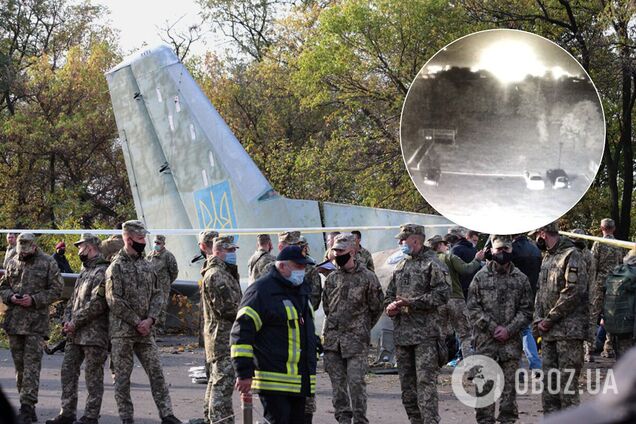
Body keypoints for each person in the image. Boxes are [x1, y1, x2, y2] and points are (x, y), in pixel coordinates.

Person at [105, 220, 181, 424]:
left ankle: (167, 414)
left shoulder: (147, 266)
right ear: (128, 239)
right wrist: (137, 321)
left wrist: (150, 320)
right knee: (122, 379)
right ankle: (127, 418)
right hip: (123, 333)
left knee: (157, 373)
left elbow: (158, 295)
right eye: (140, 238)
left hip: (145, 332)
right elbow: (114, 300)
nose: (144, 242)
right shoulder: (116, 267)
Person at [231, 245, 317, 424]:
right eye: (298, 266)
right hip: (274, 382)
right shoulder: (261, 291)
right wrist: (243, 372)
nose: (302, 271)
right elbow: (242, 334)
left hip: (300, 381)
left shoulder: (300, 290)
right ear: (282, 266)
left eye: (304, 267)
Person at [384, 224, 450, 424]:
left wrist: (412, 303)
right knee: (407, 389)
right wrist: (390, 307)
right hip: (403, 336)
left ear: (415, 240)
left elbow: (443, 294)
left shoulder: (434, 264)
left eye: (402, 239)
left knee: (425, 386)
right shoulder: (401, 265)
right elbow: (389, 294)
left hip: (426, 337)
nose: (399, 243)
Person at [467, 235, 533, 424]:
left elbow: (527, 310)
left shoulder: (521, 279)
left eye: (506, 250)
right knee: (484, 390)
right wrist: (493, 327)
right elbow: (472, 307)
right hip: (486, 342)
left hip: (510, 345)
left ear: (511, 251)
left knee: (509, 393)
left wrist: (509, 329)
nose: (502, 253)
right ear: (492, 251)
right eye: (499, 250)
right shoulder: (480, 277)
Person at [0, 233, 63, 424]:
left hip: (36, 324)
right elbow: (3, 287)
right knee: (20, 368)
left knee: (31, 367)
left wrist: (34, 299)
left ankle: (27, 407)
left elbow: (57, 289)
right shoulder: (12, 262)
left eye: (27, 251)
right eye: (21, 251)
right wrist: (11, 297)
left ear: (34, 247)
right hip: (15, 323)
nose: (24, 255)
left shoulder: (47, 263)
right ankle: (26, 405)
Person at [46, 234, 110, 424]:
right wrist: (66, 320)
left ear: (90, 247)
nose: (78, 250)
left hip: (94, 334)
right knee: (68, 371)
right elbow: (72, 300)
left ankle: (91, 416)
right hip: (75, 334)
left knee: (93, 376)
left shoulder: (102, 271)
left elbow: (97, 304)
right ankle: (67, 412)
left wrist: (76, 321)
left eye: (80, 247)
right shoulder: (85, 271)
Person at [323, 234, 384, 424]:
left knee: (356, 383)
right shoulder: (332, 278)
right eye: (334, 251)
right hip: (334, 341)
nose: (336, 254)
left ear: (352, 251)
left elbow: (377, 307)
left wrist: (362, 326)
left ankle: (359, 420)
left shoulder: (368, 277)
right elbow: (327, 306)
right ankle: (342, 419)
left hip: (356, 341)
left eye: (340, 251)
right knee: (338, 385)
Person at [531, 221, 588, 413]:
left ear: (543, 233)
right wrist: (538, 319)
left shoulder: (572, 255)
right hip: (548, 334)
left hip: (568, 333)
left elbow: (573, 291)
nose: (536, 240)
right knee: (550, 388)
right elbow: (541, 291)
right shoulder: (548, 256)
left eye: (536, 235)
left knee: (567, 388)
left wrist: (549, 319)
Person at [200, 235, 242, 424]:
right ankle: (218, 420)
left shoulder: (223, 272)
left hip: (220, 336)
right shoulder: (217, 274)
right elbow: (228, 308)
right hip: (223, 337)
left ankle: (215, 419)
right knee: (222, 386)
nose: (233, 254)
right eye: (230, 250)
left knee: (216, 383)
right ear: (218, 251)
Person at [427, 234, 484, 361]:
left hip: (436, 302)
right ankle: (470, 366)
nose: (447, 246)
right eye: (445, 244)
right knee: (465, 335)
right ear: (440, 245)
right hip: (455, 299)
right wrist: (477, 259)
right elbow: (466, 269)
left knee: (438, 335)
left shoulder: (427, 261)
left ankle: (436, 363)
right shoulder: (449, 257)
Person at [590, 218, 625, 358]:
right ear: (614, 228)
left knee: (593, 315)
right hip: (615, 284)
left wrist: (591, 284)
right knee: (611, 315)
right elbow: (623, 264)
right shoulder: (619, 244)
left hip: (599, 283)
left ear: (601, 228)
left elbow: (593, 265)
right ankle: (609, 347)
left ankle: (590, 349)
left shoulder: (598, 243)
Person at [510, 233, 543, 371]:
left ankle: (518, 368)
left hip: (513, 293)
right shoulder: (535, 249)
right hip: (531, 292)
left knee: (513, 330)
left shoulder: (512, 249)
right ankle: (535, 364)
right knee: (525, 329)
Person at [569, 229, 599, 362]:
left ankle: (578, 350)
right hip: (589, 291)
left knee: (577, 321)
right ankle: (589, 351)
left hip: (578, 293)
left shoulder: (573, 254)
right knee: (589, 322)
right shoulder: (589, 255)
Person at [147, 235, 179, 330]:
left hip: (162, 287)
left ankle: (160, 328)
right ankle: (152, 329)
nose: (156, 245)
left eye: (158, 243)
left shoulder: (168, 256)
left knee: (161, 307)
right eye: (155, 242)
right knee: (151, 307)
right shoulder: (150, 255)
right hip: (151, 287)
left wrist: (166, 283)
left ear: (163, 244)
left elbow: (174, 272)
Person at [448, 227, 479, 299]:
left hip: (460, 288)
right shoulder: (473, 249)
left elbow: (452, 269)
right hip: (471, 286)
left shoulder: (456, 249)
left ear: (457, 236)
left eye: (450, 235)